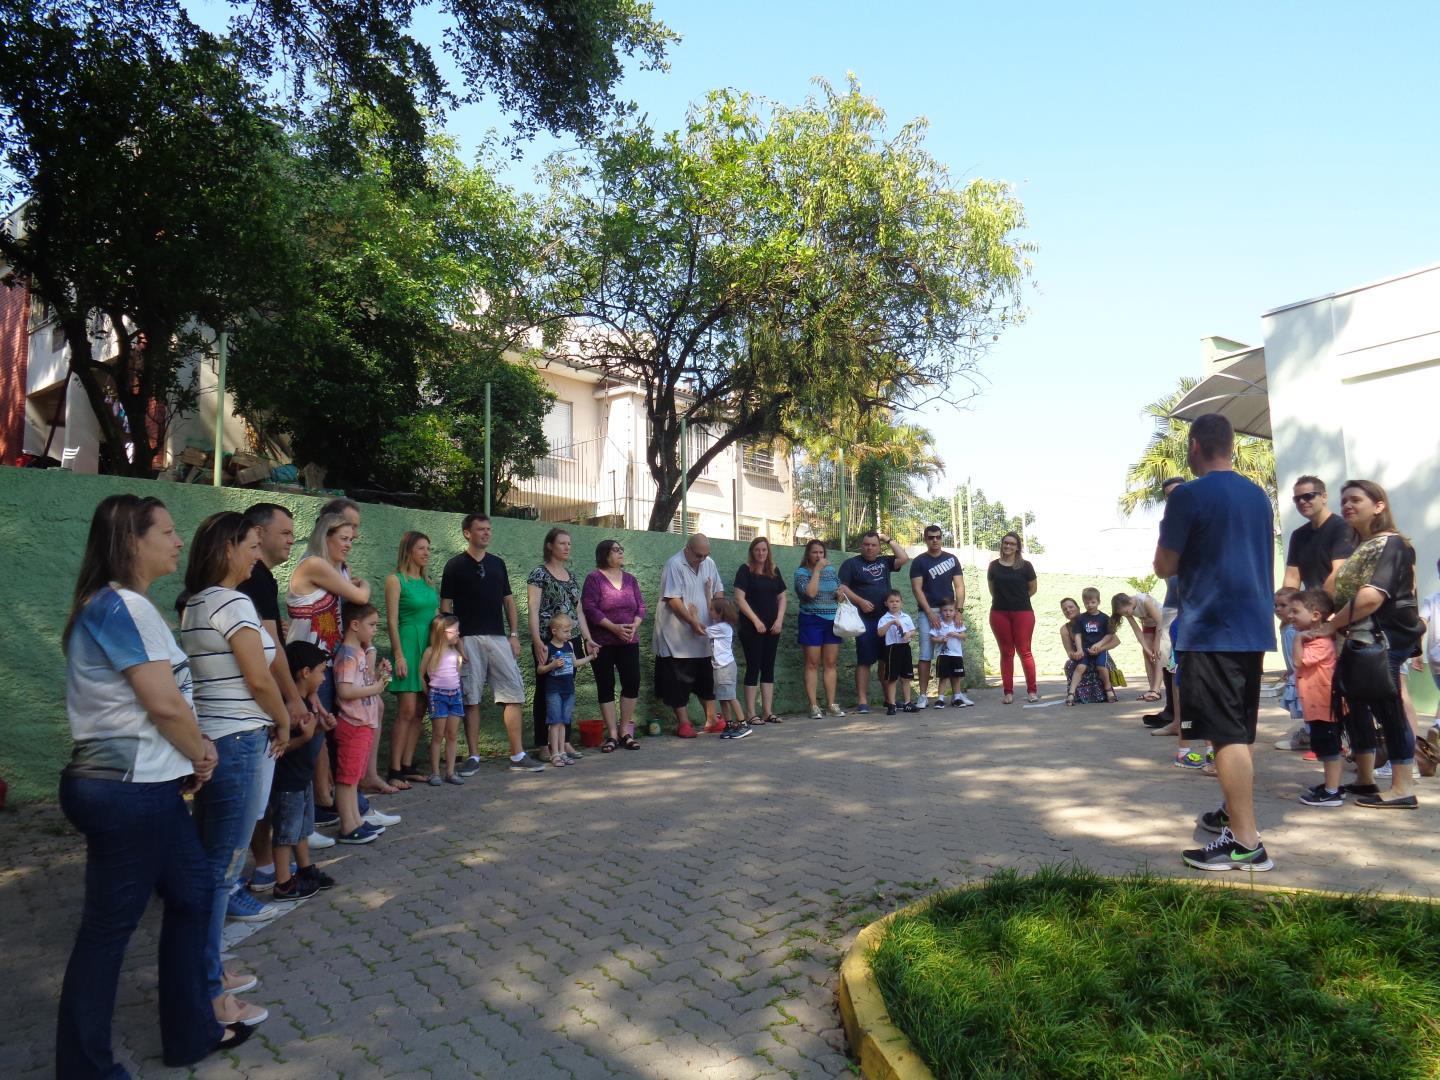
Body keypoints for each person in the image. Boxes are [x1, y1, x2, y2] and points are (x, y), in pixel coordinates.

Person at [56, 495, 247, 1076]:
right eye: (166, 531)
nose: (178, 541)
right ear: (131, 541)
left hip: (146, 788)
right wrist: (202, 751)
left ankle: (190, 1031)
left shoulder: (123, 606)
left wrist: (188, 759)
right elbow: (163, 704)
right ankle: (86, 1066)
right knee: (108, 932)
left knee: (192, 896)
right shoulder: (122, 607)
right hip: (127, 791)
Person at [180, 511, 297, 1028]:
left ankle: (209, 968)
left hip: (218, 739)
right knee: (221, 871)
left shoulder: (198, 603)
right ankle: (207, 988)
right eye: (250, 545)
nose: (257, 554)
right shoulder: (230, 601)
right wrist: (285, 719)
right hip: (242, 739)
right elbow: (258, 676)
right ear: (229, 547)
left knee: (214, 865)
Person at [1156, 413, 1276, 872]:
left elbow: (1165, 565)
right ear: (1230, 446)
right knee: (1239, 731)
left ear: (1194, 447)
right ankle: (1233, 812)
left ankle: (1247, 844)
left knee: (1223, 735)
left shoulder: (1187, 495)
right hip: (1252, 629)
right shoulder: (1257, 496)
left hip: (1209, 630)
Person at [1303, 479, 1424, 809]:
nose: (1348, 505)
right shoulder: (1364, 545)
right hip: (1357, 642)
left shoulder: (1391, 544)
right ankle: (1366, 778)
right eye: (1344, 501)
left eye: (1356, 499)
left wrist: (1329, 626)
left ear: (1379, 506)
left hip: (1378, 640)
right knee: (1356, 708)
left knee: (1390, 710)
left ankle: (1402, 788)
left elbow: (1371, 597)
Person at [287, 513, 397, 830]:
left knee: (330, 740)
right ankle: (304, 826)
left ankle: (345, 812)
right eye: (344, 538)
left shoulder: (335, 568)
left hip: (326, 663)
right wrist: (360, 584)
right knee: (310, 742)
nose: (349, 544)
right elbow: (361, 597)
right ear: (326, 535)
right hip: (306, 666)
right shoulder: (314, 564)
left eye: (352, 538)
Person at [236, 503, 319, 881]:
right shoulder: (254, 579)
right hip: (250, 703)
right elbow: (268, 646)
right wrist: (293, 697)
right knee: (254, 793)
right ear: (258, 531)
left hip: (259, 698)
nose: (291, 539)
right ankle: (256, 868)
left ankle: (266, 862)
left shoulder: (263, 580)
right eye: (284, 532)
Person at [440, 514, 545, 774]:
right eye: (481, 529)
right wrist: (454, 641)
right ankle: (474, 756)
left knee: (513, 694)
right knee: (471, 699)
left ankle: (518, 755)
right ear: (467, 533)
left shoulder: (498, 564)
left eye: (489, 529)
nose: (487, 533)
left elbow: (508, 601)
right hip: (468, 640)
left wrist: (514, 634)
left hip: (500, 638)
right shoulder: (454, 566)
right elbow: (445, 608)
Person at [270, 642, 337, 900]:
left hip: (302, 780)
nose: (323, 678)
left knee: (302, 830)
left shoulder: (304, 704)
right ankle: (283, 882)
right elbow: (278, 749)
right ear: (305, 672)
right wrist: (306, 737)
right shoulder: (287, 708)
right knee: (286, 833)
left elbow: (308, 736)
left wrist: (320, 729)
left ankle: (305, 869)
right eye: (321, 672)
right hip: (287, 782)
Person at [527, 528, 596, 760]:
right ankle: (542, 744)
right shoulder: (539, 574)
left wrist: (587, 638)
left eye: (569, 543)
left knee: (566, 690)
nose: (567, 547)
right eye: (562, 543)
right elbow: (533, 609)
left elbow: (579, 613)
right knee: (546, 692)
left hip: (571, 640)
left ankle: (564, 742)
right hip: (548, 641)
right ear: (550, 546)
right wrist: (537, 640)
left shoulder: (572, 576)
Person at [653, 534, 725, 738]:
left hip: (703, 634)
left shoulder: (709, 563)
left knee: (706, 679)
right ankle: (684, 723)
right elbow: (673, 600)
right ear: (688, 549)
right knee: (677, 681)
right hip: (676, 636)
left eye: (705, 555)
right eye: (698, 555)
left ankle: (711, 719)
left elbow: (719, 592)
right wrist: (692, 622)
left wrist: (719, 617)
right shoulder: (674, 564)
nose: (702, 559)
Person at [334, 602, 393, 840]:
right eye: (372, 625)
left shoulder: (358, 652)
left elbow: (362, 683)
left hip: (362, 723)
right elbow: (346, 691)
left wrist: (378, 675)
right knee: (346, 778)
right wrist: (376, 687)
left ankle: (357, 820)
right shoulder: (347, 654)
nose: (374, 630)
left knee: (353, 778)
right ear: (355, 625)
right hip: (352, 723)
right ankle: (348, 825)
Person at [384, 531, 439, 787]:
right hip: (407, 645)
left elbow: (437, 617)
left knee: (420, 709)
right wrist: (398, 655)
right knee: (406, 710)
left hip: (428, 648)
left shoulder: (429, 583)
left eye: (428, 548)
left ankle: (407, 765)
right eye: (421, 548)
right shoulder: (395, 581)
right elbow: (392, 621)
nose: (426, 553)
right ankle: (393, 770)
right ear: (409, 551)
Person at [582, 540, 647, 752]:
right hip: (603, 642)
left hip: (629, 640)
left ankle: (624, 731)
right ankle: (611, 734)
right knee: (606, 685)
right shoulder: (594, 578)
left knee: (632, 682)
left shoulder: (630, 579)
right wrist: (614, 628)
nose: (620, 553)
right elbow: (590, 609)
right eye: (616, 550)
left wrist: (634, 626)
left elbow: (641, 607)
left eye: (621, 550)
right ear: (604, 554)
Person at [837, 530, 909, 714]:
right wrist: (860, 601)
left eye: (874, 545)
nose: (869, 548)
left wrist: (888, 538)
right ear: (862, 545)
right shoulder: (851, 564)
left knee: (886, 660)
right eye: (866, 544)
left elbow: (903, 558)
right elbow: (842, 587)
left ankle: (889, 699)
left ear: (878, 547)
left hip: (886, 620)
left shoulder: (884, 562)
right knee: (865, 661)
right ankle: (862, 701)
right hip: (865, 621)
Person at [1290, 590, 1343, 806]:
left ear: (1315, 615)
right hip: (1317, 705)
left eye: (1296, 611)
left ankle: (1332, 792)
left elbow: (1298, 662)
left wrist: (1297, 639)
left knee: (1330, 748)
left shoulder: (1320, 642)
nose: (1291, 615)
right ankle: (1331, 786)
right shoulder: (1314, 640)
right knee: (1324, 746)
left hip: (1324, 705)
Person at [1143, 477, 1188, 729]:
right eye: (1168, 495)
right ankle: (1174, 715)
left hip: (1195, 605)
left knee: (1186, 661)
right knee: (1169, 660)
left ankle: (1185, 722)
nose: (1173, 498)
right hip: (1174, 604)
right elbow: (1162, 567)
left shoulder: (1197, 518)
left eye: (1177, 493)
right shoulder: (1169, 524)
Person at [909, 524, 966, 709]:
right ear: (925, 539)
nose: (935, 540)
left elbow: (959, 586)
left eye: (938, 537)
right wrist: (929, 612)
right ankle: (923, 695)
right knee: (926, 653)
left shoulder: (952, 559)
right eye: (931, 537)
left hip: (949, 612)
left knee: (953, 651)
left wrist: (959, 610)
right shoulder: (919, 562)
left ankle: (957, 694)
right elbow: (917, 589)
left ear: (942, 538)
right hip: (928, 612)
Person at [734, 536, 788, 726]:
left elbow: (782, 597)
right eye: (757, 550)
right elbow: (739, 598)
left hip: (773, 628)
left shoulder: (774, 571)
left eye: (764, 550)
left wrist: (780, 620)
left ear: (768, 552)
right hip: (751, 628)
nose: (761, 553)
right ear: (752, 551)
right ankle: (750, 713)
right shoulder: (745, 570)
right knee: (753, 666)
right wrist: (756, 621)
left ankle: (767, 711)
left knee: (768, 667)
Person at [793, 540, 845, 719]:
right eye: (815, 553)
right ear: (808, 554)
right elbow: (810, 594)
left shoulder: (831, 571)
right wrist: (816, 571)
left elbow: (839, 591)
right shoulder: (801, 573)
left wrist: (840, 595)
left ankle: (831, 704)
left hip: (832, 622)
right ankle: (814, 705)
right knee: (812, 663)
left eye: (821, 553)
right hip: (811, 620)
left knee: (830, 663)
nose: (819, 556)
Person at [987, 532, 1038, 704]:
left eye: (1012, 544)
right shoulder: (993, 566)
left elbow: (1032, 589)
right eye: (1005, 543)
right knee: (1006, 653)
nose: (1008, 546)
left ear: (1018, 547)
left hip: (1023, 613)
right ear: (1002, 545)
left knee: (1025, 652)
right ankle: (1008, 692)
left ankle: (1032, 691)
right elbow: (993, 590)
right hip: (999, 613)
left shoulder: (1026, 566)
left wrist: (1018, 599)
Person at [538, 612, 594, 766]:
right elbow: (540, 669)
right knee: (555, 722)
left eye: (570, 631)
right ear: (554, 631)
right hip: (553, 690)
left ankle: (562, 751)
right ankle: (554, 753)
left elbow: (575, 663)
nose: (569, 634)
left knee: (563, 721)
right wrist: (552, 665)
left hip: (568, 689)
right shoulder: (547, 647)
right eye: (566, 631)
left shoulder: (569, 645)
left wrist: (591, 657)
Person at [1282, 476, 1354, 594]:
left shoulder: (1342, 528)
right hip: (1310, 607)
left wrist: (1319, 606)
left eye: (1308, 496)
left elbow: (1339, 574)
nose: (1302, 501)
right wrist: (1287, 606)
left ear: (1324, 497)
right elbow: (1292, 578)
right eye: (1297, 499)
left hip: (1338, 606)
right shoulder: (1298, 535)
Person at [422, 615, 466, 785]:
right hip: (438, 696)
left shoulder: (456, 653)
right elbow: (421, 675)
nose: (458, 633)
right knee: (438, 735)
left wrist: (460, 646)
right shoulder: (430, 652)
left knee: (452, 735)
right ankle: (435, 773)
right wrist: (429, 693)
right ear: (442, 632)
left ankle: (450, 771)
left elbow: (457, 673)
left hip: (455, 696)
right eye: (455, 630)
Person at [704, 595, 751, 739]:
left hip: (725, 668)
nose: (709, 612)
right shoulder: (719, 625)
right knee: (723, 698)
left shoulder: (722, 628)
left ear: (720, 613)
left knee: (730, 696)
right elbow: (711, 612)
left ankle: (743, 724)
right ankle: (729, 724)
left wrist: (692, 615)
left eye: (712, 610)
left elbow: (700, 631)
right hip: (720, 667)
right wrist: (708, 592)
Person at [1065, 589, 1117, 705]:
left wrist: (1099, 645)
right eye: (1087, 603)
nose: (1090, 605)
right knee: (1080, 668)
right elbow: (1078, 635)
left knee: (1102, 668)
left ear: (1098, 602)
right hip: (1086, 649)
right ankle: (1071, 694)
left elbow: (1110, 635)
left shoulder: (1104, 618)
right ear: (1083, 603)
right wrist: (1079, 650)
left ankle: (1108, 689)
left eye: (1093, 602)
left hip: (1100, 650)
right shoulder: (1081, 618)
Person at [1110, 591, 1164, 702]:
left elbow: (1160, 621)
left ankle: (1156, 690)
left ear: (1128, 602)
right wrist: (1146, 648)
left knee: (1158, 652)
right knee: (1147, 654)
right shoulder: (1128, 611)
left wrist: (1157, 644)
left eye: (1125, 611)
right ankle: (1151, 688)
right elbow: (1137, 630)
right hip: (1149, 625)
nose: (1126, 614)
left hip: (1163, 623)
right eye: (1123, 614)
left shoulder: (1144, 601)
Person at [876, 590, 917, 715]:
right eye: (891, 602)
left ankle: (907, 703)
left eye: (897, 601)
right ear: (886, 603)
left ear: (901, 603)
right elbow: (880, 633)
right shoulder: (884, 618)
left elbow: (913, 632)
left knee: (906, 678)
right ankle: (892, 704)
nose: (894, 604)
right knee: (892, 678)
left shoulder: (906, 617)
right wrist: (892, 622)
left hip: (905, 648)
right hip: (892, 649)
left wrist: (909, 634)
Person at [928, 599, 974, 708]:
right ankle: (940, 699)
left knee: (956, 677)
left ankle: (957, 698)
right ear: (941, 611)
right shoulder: (939, 624)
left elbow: (964, 636)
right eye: (945, 610)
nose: (948, 613)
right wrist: (941, 640)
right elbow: (932, 638)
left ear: (955, 612)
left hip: (956, 655)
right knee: (943, 678)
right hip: (943, 656)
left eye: (950, 610)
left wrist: (955, 634)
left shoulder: (957, 623)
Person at [1059, 598, 1105, 705]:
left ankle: (1104, 691)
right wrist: (1074, 654)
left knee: (1099, 662)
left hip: (1098, 653)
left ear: (1078, 608)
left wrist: (1099, 648)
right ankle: (1075, 694)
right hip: (1081, 656)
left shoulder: (1093, 619)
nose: (1068, 610)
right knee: (1070, 664)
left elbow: (1114, 640)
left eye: (1071, 607)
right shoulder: (1064, 629)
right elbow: (1069, 650)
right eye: (1064, 609)